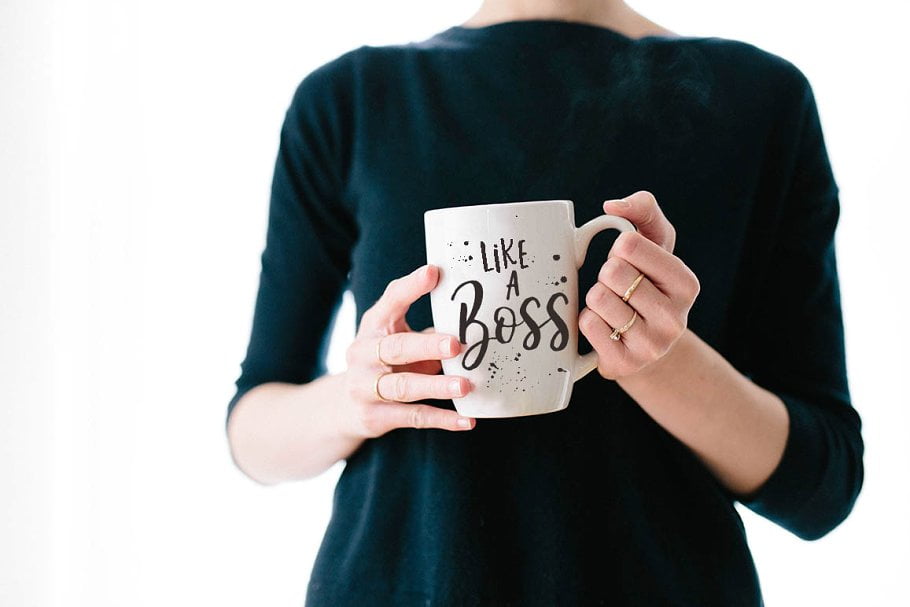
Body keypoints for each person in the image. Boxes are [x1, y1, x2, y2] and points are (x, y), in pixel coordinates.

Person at [224, 1, 864, 604]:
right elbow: (252, 433)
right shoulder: (350, 100)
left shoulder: (759, 99)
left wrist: (657, 359)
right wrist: (358, 398)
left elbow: (822, 486)